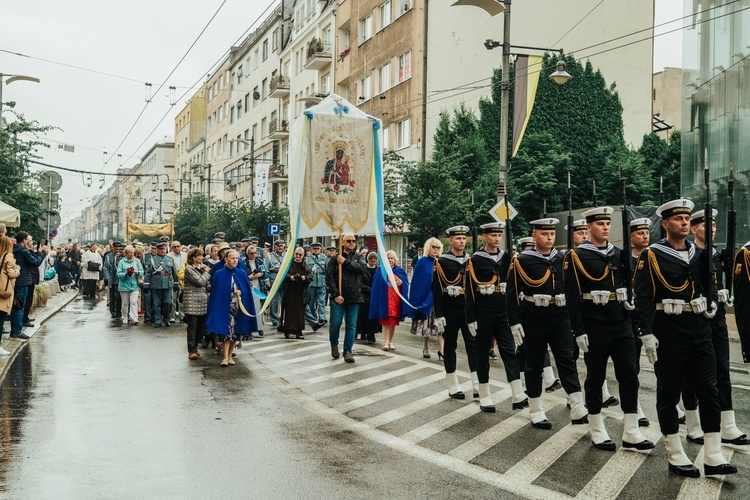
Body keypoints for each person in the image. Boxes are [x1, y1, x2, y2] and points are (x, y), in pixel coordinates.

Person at [633, 198, 735, 477]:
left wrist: (712, 302)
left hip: (700, 329)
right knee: (669, 392)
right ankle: (675, 453)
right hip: (669, 329)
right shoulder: (652, 255)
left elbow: (710, 283)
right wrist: (646, 333)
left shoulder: (699, 253)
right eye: (678, 219)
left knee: (709, 390)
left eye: (687, 218)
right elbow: (641, 297)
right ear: (665, 224)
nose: (685, 222)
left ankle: (713, 454)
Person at [563, 207, 653, 451]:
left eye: (607, 223)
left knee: (629, 375)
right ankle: (597, 428)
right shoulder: (576, 256)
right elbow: (572, 297)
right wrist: (578, 330)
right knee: (595, 377)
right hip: (594, 323)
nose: (605, 227)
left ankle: (631, 430)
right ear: (589, 227)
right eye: (600, 223)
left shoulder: (620, 254)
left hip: (621, 321)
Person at [506, 218, 587, 429]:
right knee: (534, 365)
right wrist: (514, 322)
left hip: (560, 315)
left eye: (552, 234)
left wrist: (577, 322)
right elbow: (512, 293)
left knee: (567, 360)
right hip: (534, 316)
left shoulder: (563, 258)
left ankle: (578, 406)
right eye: (544, 234)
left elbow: (572, 289)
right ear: (534, 236)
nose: (549, 238)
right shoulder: (522, 260)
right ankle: (536, 409)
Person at [681, 209, 748, 446]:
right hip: (697, 320)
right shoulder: (689, 256)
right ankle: (692, 423)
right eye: (705, 225)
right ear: (694, 229)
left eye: (713, 225)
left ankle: (728, 424)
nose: (711, 229)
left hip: (717, 319)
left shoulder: (719, 256)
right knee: (691, 375)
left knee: (722, 371)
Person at [465, 222, 526, 413]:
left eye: (499, 235)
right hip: (483, 312)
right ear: (485, 237)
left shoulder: (506, 256)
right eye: (493, 236)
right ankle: (485, 395)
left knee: (509, 350)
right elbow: (470, 291)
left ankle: (517, 394)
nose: (497, 239)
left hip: (502, 311)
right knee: (482, 353)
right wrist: (470, 317)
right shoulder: (476, 259)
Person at [433, 226, 478, 400]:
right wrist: (439, 314)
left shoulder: (471, 260)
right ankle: (453, 384)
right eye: (458, 238)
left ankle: (476, 383)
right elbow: (437, 290)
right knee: (450, 346)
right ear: (450, 241)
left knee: (473, 346)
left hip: (467, 308)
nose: (461, 241)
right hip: (449, 308)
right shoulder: (442, 261)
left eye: (464, 238)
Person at [206, 250, 257, 366]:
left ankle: (230, 356)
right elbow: (216, 292)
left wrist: (241, 292)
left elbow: (246, 291)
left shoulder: (241, 273)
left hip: (238, 308)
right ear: (226, 259)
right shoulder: (219, 274)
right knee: (226, 333)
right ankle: (224, 357)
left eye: (236, 258)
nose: (235, 260)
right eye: (232, 258)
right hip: (224, 308)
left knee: (235, 333)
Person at [326, 233, 368, 363]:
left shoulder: (359, 256)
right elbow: (329, 278)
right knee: (336, 323)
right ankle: (334, 344)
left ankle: (348, 351)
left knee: (351, 326)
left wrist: (345, 262)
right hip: (338, 298)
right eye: (348, 241)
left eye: (353, 241)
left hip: (354, 297)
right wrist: (336, 294)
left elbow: (362, 268)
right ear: (342, 242)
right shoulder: (334, 258)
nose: (351, 243)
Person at [628, 217, 653, 427]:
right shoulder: (624, 259)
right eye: (639, 233)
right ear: (631, 237)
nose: (645, 236)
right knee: (631, 365)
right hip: (630, 316)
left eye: (646, 233)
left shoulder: (654, 257)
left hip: (652, 316)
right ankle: (635, 405)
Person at [409, 238, 443, 359]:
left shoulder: (441, 261)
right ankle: (426, 347)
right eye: (433, 247)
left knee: (441, 325)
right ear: (428, 247)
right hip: (427, 298)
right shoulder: (422, 262)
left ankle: (442, 350)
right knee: (427, 326)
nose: (435, 250)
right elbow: (418, 282)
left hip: (439, 298)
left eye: (438, 248)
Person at [370, 250, 409, 351]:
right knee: (385, 322)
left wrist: (401, 283)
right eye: (388, 258)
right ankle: (386, 342)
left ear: (395, 259)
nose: (390, 260)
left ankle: (391, 342)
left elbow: (404, 282)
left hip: (395, 301)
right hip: (385, 300)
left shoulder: (399, 270)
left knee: (392, 323)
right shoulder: (381, 271)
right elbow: (377, 286)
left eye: (392, 258)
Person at [11, 232, 45, 340]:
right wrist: (40, 253)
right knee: (20, 307)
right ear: (24, 240)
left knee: (15, 307)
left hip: (17, 281)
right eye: (27, 240)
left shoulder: (15, 249)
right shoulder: (24, 251)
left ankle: (14, 329)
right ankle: (16, 331)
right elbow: (36, 262)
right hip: (23, 281)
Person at [183, 248, 211, 359]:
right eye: (200, 256)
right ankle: (191, 350)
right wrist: (207, 273)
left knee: (200, 326)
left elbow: (204, 283)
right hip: (191, 302)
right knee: (192, 326)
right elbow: (200, 282)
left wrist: (208, 285)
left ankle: (195, 347)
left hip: (202, 301)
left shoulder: (201, 268)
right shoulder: (189, 269)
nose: (202, 257)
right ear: (194, 258)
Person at [279, 247, 313, 339]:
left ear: (303, 256)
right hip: (290, 291)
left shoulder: (306, 265)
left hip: (301, 292)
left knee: (300, 312)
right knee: (289, 311)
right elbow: (282, 275)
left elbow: (310, 276)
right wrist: (290, 277)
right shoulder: (289, 264)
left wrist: (304, 278)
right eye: (296, 254)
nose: (298, 256)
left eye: (300, 254)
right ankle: (287, 330)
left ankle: (298, 331)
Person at [145, 242, 178, 328]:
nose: (162, 251)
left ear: (166, 249)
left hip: (167, 283)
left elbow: (174, 272)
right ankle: (158, 320)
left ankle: (166, 319)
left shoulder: (170, 259)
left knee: (168, 302)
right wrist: (146, 284)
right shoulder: (152, 260)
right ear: (157, 250)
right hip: (156, 283)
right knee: (157, 304)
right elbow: (148, 273)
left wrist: (176, 283)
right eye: (160, 249)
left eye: (163, 249)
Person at [0, 236, 20, 355]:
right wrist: (18, 270)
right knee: (1, 320)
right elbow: (11, 273)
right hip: (4, 291)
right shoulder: (8, 256)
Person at [243, 245, 269, 338]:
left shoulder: (260, 261)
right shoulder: (243, 262)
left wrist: (261, 274)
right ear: (247, 254)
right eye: (251, 253)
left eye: (255, 253)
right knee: (249, 306)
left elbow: (266, 273)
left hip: (258, 286)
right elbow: (240, 274)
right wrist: (249, 277)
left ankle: (259, 327)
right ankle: (249, 328)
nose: (254, 255)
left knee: (258, 307)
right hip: (247, 286)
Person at [116, 245, 143, 325]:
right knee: (125, 303)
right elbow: (118, 274)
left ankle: (134, 318)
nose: (132, 255)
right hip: (124, 286)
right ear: (126, 253)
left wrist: (138, 273)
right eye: (130, 253)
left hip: (134, 285)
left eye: (133, 253)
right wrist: (126, 273)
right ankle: (125, 317)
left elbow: (142, 271)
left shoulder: (137, 261)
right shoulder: (121, 262)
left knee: (134, 302)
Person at [305, 242, 328, 331]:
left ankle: (322, 317)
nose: (316, 250)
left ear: (320, 249)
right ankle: (313, 317)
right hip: (312, 282)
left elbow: (327, 270)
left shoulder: (324, 258)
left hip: (322, 281)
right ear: (311, 249)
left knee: (321, 301)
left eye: (318, 248)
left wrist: (327, 282)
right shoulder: (308, 259)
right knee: (311, 301)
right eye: (314, 249)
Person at [358, 252, 381, 344]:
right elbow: (360, 284)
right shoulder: (363, 270)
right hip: (365, 297)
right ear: (368, 260)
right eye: (371, 261)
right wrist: (371, 290)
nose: (373, 263)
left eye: (374, 261)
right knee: (365, 316)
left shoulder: (378, 270)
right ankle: (364, 332)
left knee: (373, 317)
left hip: (375, 297)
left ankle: (372, 333)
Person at [265, 240, 287, 327]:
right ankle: (274, 320)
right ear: (275, 247)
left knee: (285, 300)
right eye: (278, 246)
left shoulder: (287, 255)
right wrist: (267, 281)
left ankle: (283, 318)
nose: (280, 247)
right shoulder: (270, 257)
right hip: (273, 279)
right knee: (274, 301)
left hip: (285, 280)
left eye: (282, 246)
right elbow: (266, 269)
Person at [104, 241, 124, 319]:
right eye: (116, 248)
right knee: (113, 296)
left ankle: (119, 311)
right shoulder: (109, 256)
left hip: (121, 279)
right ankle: (113, 311)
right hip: (113, 279)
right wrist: (108, 279)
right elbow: (106, 268)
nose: (117, 250)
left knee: (119, 297)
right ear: (113, 248)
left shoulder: (122, 257)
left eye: (119, 249)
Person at [168, 240, 186, 323]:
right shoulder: (168, 256)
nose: (177, 248)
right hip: (173, 279)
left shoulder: (186, 255)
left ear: (181, 246)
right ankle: (172, 316)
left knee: (182, 298)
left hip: (183, 279)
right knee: (172, 298)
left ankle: (182, 315)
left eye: (178, 246)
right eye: (174, 247)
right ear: (171, 248)